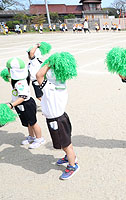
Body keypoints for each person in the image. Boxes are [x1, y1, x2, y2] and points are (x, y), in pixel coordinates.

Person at [36, 52, 79, 180]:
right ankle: (69, 156)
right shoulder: (61, 84)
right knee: (66, 142)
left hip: (56, 120)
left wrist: (50, 61)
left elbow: (39, 74)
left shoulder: (49, 87)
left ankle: (73, 165)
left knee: (65, 145)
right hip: (62, 117)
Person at [6, 57, 45, 149]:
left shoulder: (20, 82)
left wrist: (11, 105)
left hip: (26, 104)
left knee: (33, 123)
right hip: (20, 105)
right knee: (28, 122)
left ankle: (39, 139)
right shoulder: (18, 78)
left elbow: (23, 97)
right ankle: (31, 137)